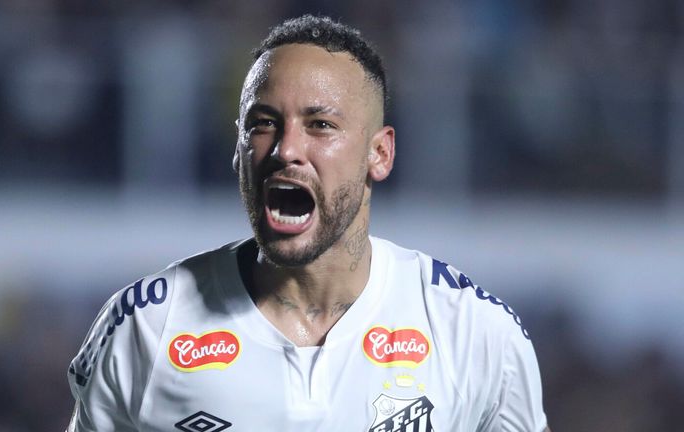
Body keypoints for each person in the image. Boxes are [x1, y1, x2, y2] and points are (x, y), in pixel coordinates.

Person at [67, 15, 550, 432]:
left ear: (378, 154)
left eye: (320, 125)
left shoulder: (473, 333)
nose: (285, 149)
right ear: (238, 152)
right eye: (262, 123)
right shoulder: (147, 327)